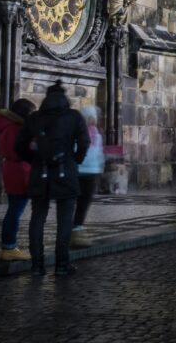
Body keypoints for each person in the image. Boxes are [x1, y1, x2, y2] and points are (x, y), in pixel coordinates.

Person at [15, 82, 89, 276]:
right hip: (66, 172)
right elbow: (84, 143)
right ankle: (62, 265)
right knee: (64, 221)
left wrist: (34, 160)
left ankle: (37, 266)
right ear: (64, 98)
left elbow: (19, 146)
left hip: (40, 172)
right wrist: (75, 160)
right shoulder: (73, 117)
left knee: (37, 218)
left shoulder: (34, 118)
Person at [0, 98, 36, 261]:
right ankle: (9, 246)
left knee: (14, 209)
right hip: (19, 171)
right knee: (15, 210)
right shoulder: (15, 128)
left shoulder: (8, 126)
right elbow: (19, 151)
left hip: (12, 170)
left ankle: (9, 246)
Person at [71, 105, 104, 248]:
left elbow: (98, 153)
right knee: (74, 202)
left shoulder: (97, 134)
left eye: (93, 118)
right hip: (79, 171)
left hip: (91, 172)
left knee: (83, 203)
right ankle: (72, 230)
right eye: (89, 117)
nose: (92, 120)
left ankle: (77, 228)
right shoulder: (76, 133)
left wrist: (100, 164)